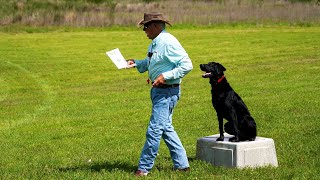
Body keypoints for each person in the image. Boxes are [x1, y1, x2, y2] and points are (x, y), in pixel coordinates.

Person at [126, 12, 193, 176]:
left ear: (156, 26)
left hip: (167, 92)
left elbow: (187, 65)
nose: (144, 30)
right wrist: (136, 63)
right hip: (159, 92)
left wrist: (165, 76)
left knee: (154, 130)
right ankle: (182, 165)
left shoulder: (168, 42)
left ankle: (144, 168)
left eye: (146, 26)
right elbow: (150, 63)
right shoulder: (155, 43)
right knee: (166, 128)